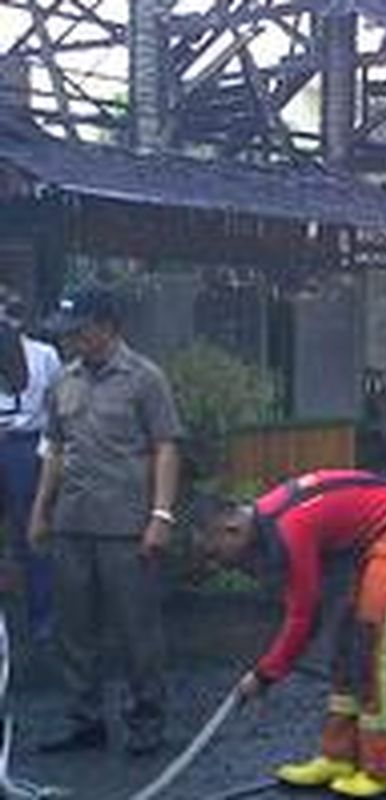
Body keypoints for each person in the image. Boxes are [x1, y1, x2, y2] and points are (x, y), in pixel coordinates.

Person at [200, 469, 386, 799]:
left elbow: (303, 616)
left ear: (231, 529)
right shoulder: (271, 523)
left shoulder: (288, 527)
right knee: (346, 642)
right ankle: (339, 757)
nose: (220, 564)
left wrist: (264, 675)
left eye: (215, 553)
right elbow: (306, 604)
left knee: (384, 650)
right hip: (372, 540)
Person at [28, 286, 182, 756]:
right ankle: (85, 721)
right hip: (72, 524)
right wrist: (40, 512)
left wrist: (161, 515)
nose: (73, 341)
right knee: (74, 631)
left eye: (80, 331)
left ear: (107, 327)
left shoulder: (144, 378)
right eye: (69, 333)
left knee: (137, 631)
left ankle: (147, 721)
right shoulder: (65, 380)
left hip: (126, 527)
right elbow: (55, 449)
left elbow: (166, 446)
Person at [0, 286, 61, 640]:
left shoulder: (44, 355)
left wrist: (45, 450)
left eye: (9, 312)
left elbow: (55, 408)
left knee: (32, 531)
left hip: (26, 447)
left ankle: (42, 616)